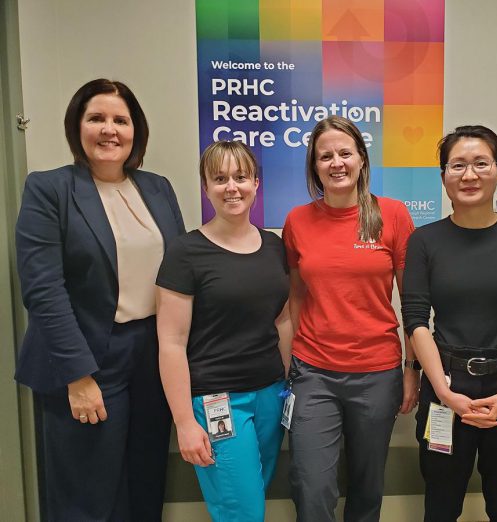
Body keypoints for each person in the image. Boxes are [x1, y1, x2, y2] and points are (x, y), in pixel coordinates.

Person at [14, 79, 185, 521]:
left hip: (151, 355)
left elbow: (179, 274)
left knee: (144, 485)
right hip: (87, 358)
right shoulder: (49, 189)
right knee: (85, 499)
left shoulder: (158, 188)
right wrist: (77, 375)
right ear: (77, 126)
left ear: (135, 131)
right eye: (97, 118)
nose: (109, 130)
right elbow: (42, 289)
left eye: (120, 120)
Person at [402, 125, 497, 521]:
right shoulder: (424, 241)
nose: (469, 175)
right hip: (445, 389)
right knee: (440, 505)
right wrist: (444, 393)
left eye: (481, 164)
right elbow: (416, 320)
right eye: (458, 166)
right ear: (443, 176)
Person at [282, 115, 419, 522]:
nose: (336, 162)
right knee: (311, 485)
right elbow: (295, 296)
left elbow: (412, 302)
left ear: (362, 159)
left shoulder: (392, 215)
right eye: (326, 156)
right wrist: (287, 362)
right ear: (315, 165)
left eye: (345, 153)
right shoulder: (297, 221)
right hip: (313, 373)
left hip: (376, 374)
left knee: (367, 484)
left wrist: (411, 370)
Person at [156, 140, 291, 522]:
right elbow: (170, 342)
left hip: (270, 395)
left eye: (240, 177)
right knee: (242, 512)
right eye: (220, 178)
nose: (232, 187)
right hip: (217, 402)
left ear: (256, 184)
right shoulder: (186, 252)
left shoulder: (273, 246)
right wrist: (184, 422)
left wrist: (289, 383)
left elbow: (282, 320)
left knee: (253, 498)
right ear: (206, 187)